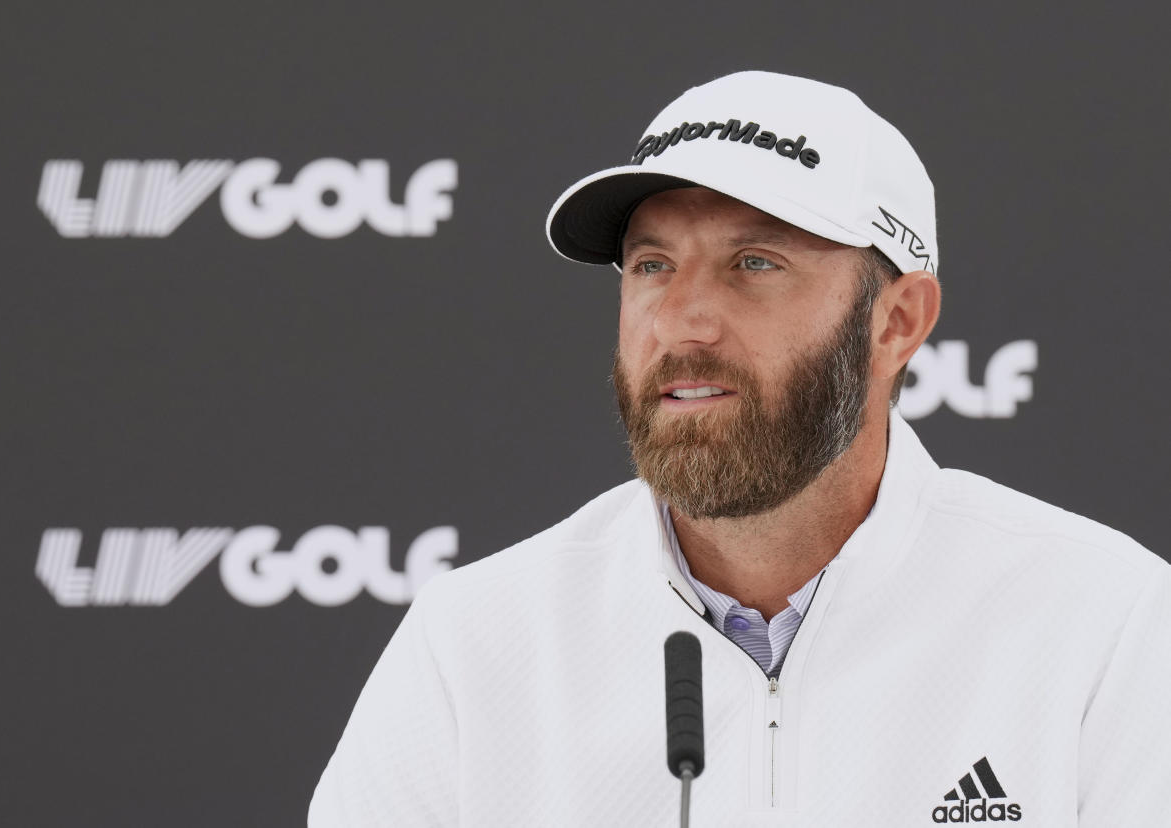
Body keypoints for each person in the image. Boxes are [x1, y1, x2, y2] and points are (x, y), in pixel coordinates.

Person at [308, 71, 1171, 826]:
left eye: (754, 263)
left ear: (897, 322)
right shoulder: (477, 642)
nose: (683, 321)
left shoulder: (1107, 622)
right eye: (651, 265)